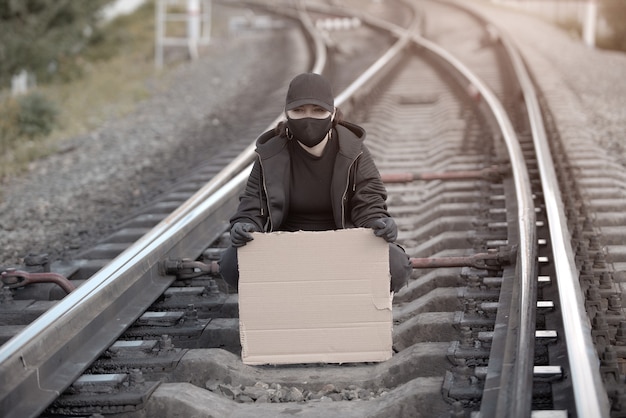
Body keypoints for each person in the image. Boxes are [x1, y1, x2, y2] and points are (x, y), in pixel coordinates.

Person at [219, 72, 411, 292]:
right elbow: (253, 204)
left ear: (332, 113)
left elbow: (369, 201)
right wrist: (246, 225)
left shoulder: (353, 151)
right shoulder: (270, 154)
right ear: (286, 113)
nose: (308, 119)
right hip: (285, 244)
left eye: (318, 110)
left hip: (342, 243)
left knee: (396, 264)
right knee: (231, 264)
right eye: (298, 111)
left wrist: (378, 222)